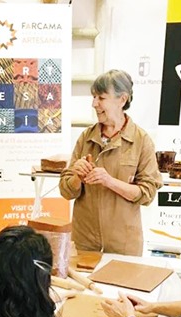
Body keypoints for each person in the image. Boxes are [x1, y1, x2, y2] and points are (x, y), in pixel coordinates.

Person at [59, 69, 162, 256]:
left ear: (122, 100)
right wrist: (77, 177)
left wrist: (110, 181)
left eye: (101, 98)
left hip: (123, 244)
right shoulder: (86, 137)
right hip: (84, 241)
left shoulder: (141, 140)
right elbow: (66, 191)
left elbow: (147, 194)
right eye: (93, 97)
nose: (94, 104)